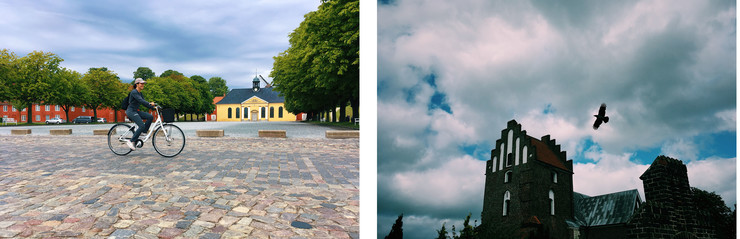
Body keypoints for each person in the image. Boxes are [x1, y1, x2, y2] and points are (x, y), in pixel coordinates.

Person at [125, 78, 156, 150]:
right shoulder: (134, 92)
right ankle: (131, 141)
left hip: (136, 111)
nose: (143, 85)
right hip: (131, 111)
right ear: (137, 84)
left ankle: (143, 133)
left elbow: (144, 102)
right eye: (141, 83)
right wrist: (149, 103)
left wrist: (153, 107)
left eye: (143, 83)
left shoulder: (140, 93)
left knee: (150, 117)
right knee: (141, 125)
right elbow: (141, 100)